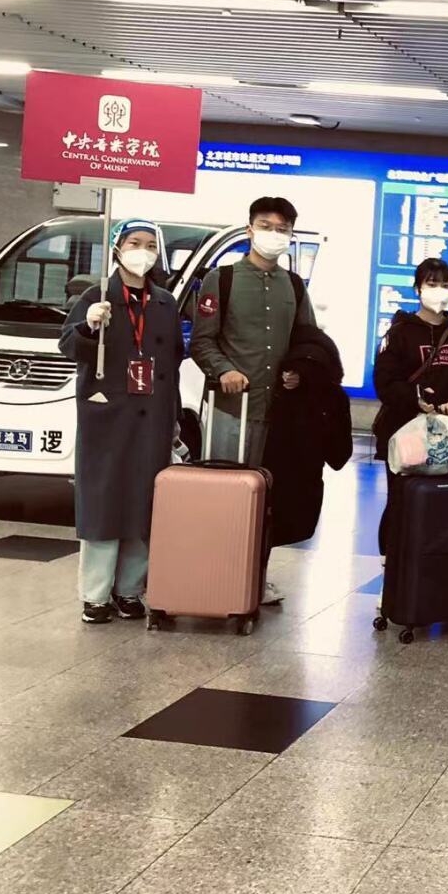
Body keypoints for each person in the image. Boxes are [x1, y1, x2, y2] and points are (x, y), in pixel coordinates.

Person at [191, 195, 316, 606]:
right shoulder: (222, 280)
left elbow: (308, 342)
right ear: (249, 229)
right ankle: (215, 576)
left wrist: (299, 371)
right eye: (266, 226)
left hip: (278, 413)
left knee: (268, 500)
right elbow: (201, 342)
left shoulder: (293, 286)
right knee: (224, 497)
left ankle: (255, 578)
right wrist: (224, 369)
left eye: (282, 229)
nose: (273, 235)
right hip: (232, 412)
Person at [59, 220, 184, 624]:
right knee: (104, 502)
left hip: (153, 418)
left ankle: (129, 590)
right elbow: (67, 346)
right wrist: (88, 325)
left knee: (143, 504)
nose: (142, 251)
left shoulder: (165, 303)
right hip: (107, 415)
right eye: (134, 243)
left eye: (150, 245)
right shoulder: (95, 296)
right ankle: (95, 595)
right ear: (117, 248)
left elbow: (172, 364)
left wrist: (174, 418)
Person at [372, 257, 448, 461]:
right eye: (432, 284)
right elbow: (384, 382)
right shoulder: (398, 333)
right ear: (418, 289)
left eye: (446, 286)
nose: (439, 291)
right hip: (404, 433)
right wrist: (416, 398)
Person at [263, 323, 353, 550]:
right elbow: (340, 455)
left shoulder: (273, 389)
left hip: (268, 477)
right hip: (305, 487)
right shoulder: (333, 395)